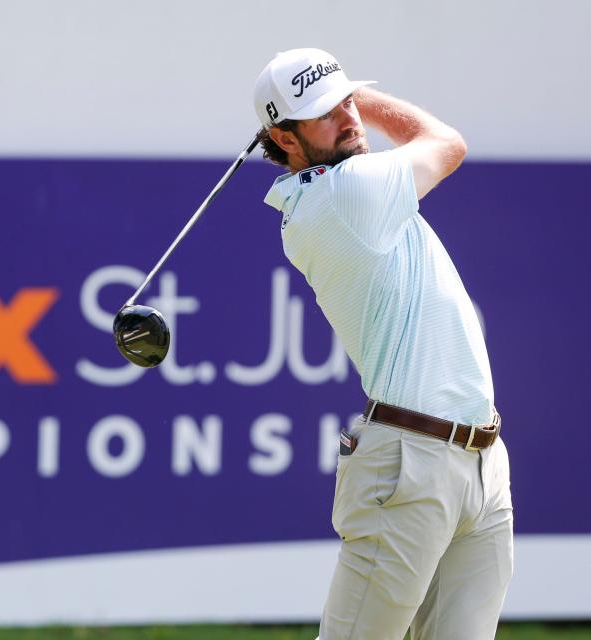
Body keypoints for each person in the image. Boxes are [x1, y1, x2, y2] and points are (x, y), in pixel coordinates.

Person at [252, 49, 513, 639]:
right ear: (284, 139)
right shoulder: (345, 193)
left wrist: (336, 98)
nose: (349, 118)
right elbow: (444, 142)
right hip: (410, 465)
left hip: (481, 461)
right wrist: (366, 98)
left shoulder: (344, 185)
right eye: (325, 112)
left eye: (349, 101)